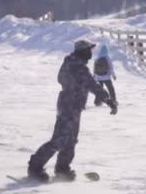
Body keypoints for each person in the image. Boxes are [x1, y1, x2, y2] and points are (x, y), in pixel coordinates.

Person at [27, 39, 118, 182]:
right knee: (60, 139)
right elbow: (91, 84)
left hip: (71, 105)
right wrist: (108, 100)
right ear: (82, 51)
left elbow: (60, 79)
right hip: (69, 105)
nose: (90, 53)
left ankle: (62, 169)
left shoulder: (71, 62)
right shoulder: (77, 66)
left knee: (71, 140)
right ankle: (35, 167)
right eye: (89, 50)